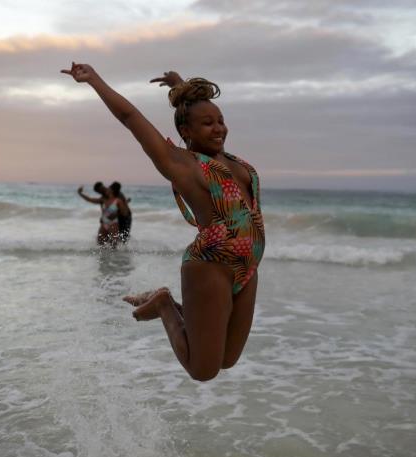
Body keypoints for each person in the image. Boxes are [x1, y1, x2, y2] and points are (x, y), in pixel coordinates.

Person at [62, 63, 265, 381]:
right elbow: (130, 118)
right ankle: (164, 305)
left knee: (226, 359)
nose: (219, 129)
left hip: (248, 266)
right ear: (187, 132)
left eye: (221, 121)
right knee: (203, 370)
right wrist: (94, 80)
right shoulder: (182, 164)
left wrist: (181, 87)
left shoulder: (233, 162)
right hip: (210, 265)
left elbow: (192, 111)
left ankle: (174, 306)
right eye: (208, 124)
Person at [77, 181, 120, 247]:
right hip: (105, 222)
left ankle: (119, 256)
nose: (102, 191)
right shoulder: (103, 199)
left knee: (114, 245)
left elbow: (123, 209)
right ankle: (104, 257)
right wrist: (80, 193)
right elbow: (90, 200)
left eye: (101, 189)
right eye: (98, 191)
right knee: (100, 244)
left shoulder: (117, 197)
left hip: (114, 222)